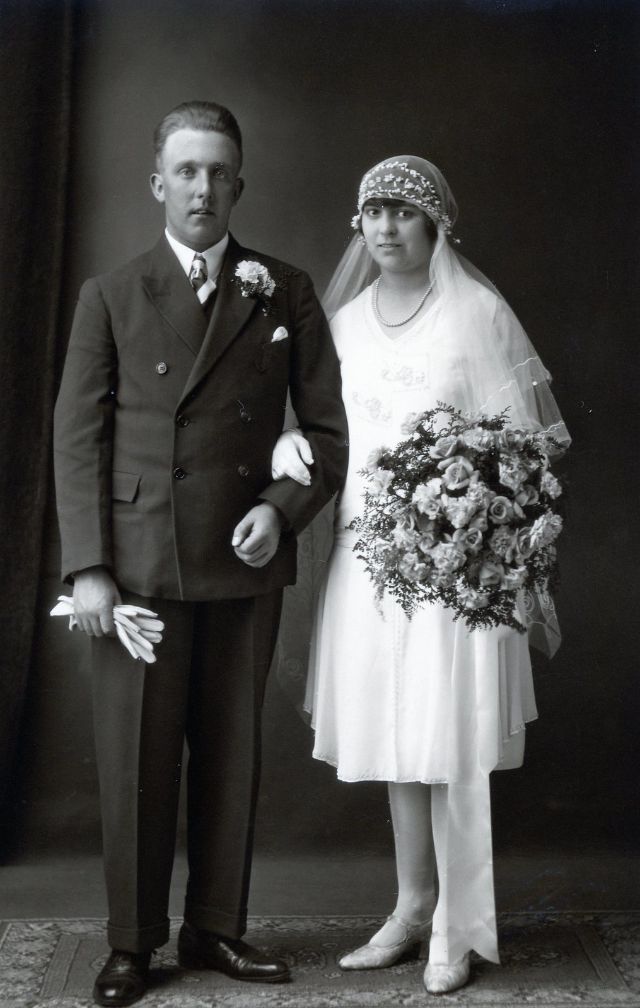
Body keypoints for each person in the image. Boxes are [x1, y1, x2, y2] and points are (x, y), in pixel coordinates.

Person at [53, 100, 348, 1007]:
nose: (204, 189)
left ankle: (215, 926)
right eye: (187, 171)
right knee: (137, 758)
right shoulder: (111, 293)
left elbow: (331, 434)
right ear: (158, 184)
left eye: (220, 172)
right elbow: (76, 439)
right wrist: (90, 566)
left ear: (239, 185)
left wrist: (281, 508)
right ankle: (133, 943)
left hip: (243, 557)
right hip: (137, 566)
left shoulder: (285, 288)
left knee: (230, 752)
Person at [272, 155, 570, 995]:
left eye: (406, 213)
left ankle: (459, 927)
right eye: (375, 213)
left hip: (458, 559)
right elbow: (325, 435)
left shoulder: (476, 312)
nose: (389, 228)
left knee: (451, 733)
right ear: (357, 226)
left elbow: (522, 449)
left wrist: (472, 521)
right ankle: (411, 905)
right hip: (373, 562)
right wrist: (286, 445)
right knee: (399, 738)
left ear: (437, 224)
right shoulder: (346, 322)